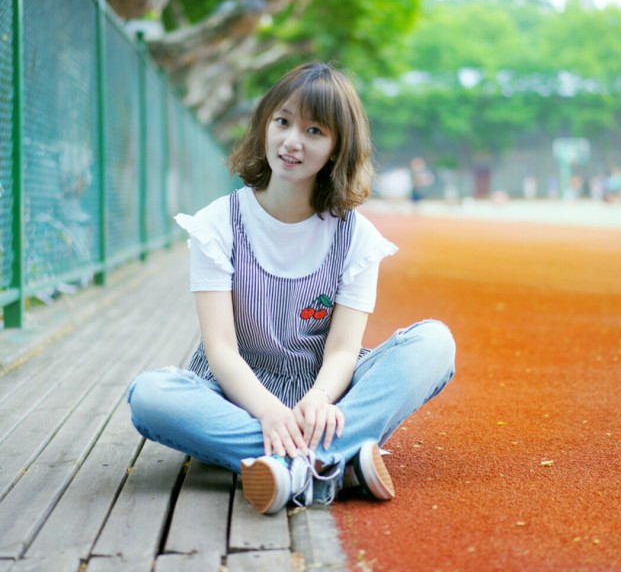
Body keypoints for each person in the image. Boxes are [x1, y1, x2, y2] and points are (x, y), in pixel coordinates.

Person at [127, 62, 456, 515]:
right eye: (282, 122)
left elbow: (342, 350)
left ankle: (292, 467)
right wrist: (268, 411)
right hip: (236, 397)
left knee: (435, 342)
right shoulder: (218, 224)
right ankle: (334, 462)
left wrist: (317, 399)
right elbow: (220, 348)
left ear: (338, 149)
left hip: (323, 399)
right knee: (149, 395)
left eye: (314, 131)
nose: (292, 141)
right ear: (265, 124)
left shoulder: (356, 237)